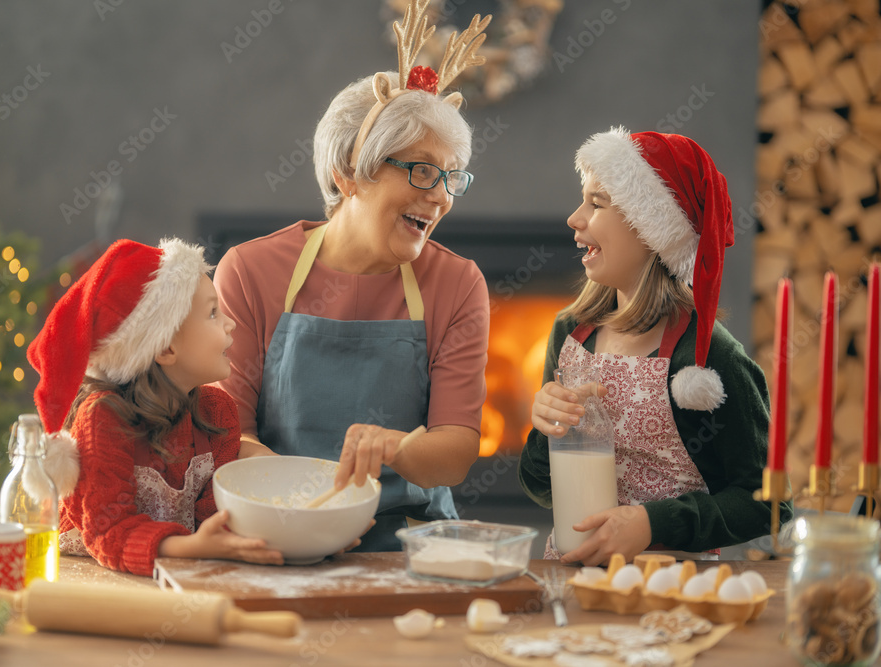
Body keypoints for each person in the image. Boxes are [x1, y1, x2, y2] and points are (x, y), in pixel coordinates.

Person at [214, 2, 492, 551]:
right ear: (347, 175)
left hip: (413, 545)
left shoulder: (458, 284)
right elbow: (229, 431)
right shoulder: (250, 271)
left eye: (451, 177)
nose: (439, 196)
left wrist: (395, 446)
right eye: (420, 170)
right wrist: (304, 508)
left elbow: (456, 452)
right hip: (281, 531)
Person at [519, 127, 792, 565]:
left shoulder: (708, 359)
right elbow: (540, 488)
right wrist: (543, 430)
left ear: (651, 229)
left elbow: (768, 505)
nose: (574, 218)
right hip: (571, 578)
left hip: (674, 588)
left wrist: (652, 523)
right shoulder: (569, 334)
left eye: (597, 203)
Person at [26, 238, 284, 575]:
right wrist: (192, 547)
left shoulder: (218, 411)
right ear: (164, 349)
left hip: (177, 570)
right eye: (211, 313)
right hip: (94, 576)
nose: (229, 323)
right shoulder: (102, 418)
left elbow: (212, 521)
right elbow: (109, 531)